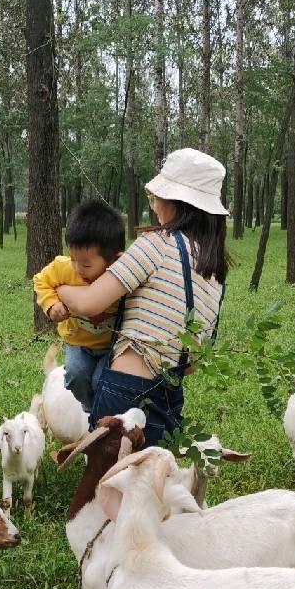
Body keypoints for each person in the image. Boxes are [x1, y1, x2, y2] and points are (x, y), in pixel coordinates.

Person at [57, 148, 230, 446]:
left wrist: (56, 288)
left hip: (123, 391)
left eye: (156, 197)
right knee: (147, 487)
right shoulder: (215, 273)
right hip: (169, 394)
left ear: (176, 203)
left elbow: (89, 303)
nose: (155, 205)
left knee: (104, 487)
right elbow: (193, 362)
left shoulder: (156, 245)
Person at [33, 199, 126, 411]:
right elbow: (41, 280)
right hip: (78, 343)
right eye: (72, 258)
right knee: (76, 375)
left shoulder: (123, 276)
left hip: (111, 345)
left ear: (114, 260)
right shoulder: (64, 268)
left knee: (101, 381)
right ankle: (91, 411)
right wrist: (51, 304)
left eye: (85, 264)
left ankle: (99, 414)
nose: (77, 268)